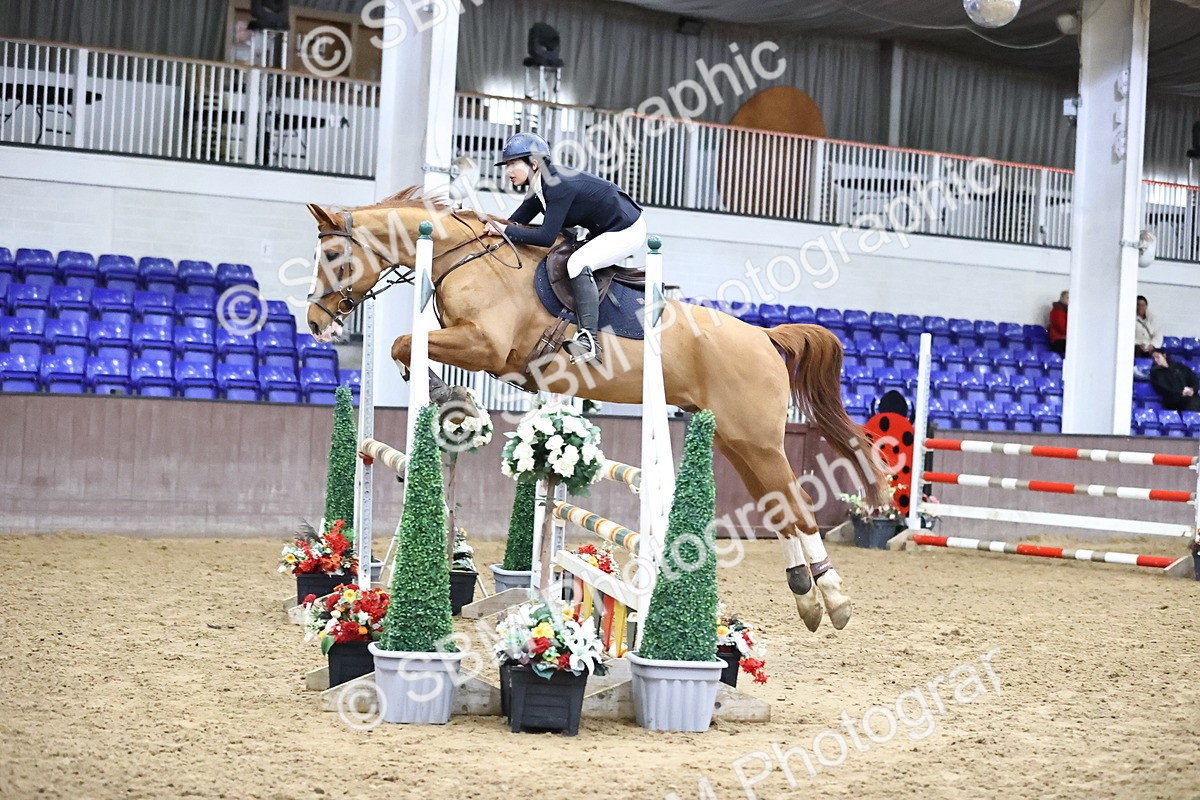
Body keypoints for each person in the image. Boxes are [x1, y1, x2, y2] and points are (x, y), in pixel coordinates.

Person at [483, 132, 646, 364]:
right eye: (506, 165)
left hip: (626, 229)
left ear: (534, 163)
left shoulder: (556, 184)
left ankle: (589, 340)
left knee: (578, 263)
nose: (508, 171)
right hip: (604, 228)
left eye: (512, 164)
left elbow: (546, 237)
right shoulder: (540, 187)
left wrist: (504, 230)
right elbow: (514, 223)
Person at [1047, 290, 1068, 356]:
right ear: (1061, 298)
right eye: (1067, 298)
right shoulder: (1058, 311)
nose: (1069, 300)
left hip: (1063, 339)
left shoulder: (1065, 311)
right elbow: (1061, 328)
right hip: (1058, 340)